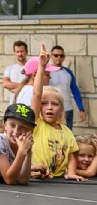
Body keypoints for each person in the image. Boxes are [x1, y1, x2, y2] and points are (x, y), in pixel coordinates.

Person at [28, 44, 83, 180]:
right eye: (44, 103)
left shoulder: (67, 132)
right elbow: (37, 94)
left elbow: (71, 154)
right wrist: (42, 67)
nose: (50, 107)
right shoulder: (37, 125)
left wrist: (71, 172)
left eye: (55, 104)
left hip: (57, 180)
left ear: (61, 109)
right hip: (37, 177)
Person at [49, 46, 86, 129]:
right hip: (52, 110)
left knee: (68, 134)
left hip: (67, 109)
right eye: (56, 55)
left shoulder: (68, 72)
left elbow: (75, 91)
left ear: (64, 57)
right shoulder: (46, 72)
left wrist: (81, 109)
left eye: (61, 56)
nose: (59, 58)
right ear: (51, 56)